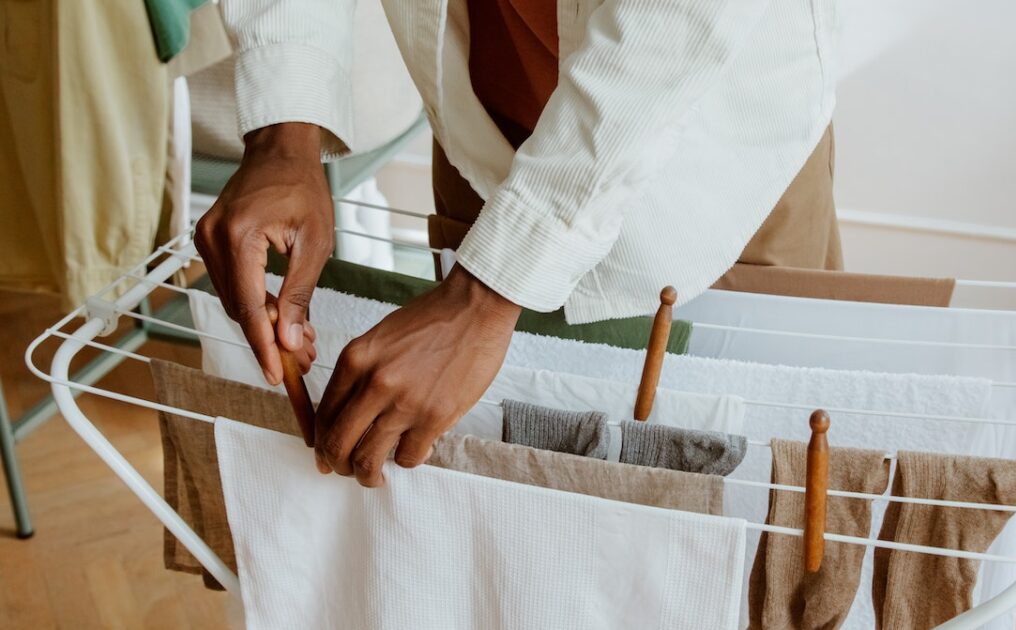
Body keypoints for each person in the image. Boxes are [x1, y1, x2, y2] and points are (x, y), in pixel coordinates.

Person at [195, 0, 841, 487]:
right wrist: (285, 130)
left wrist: (486, 292)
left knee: (767, 480)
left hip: (712, 151)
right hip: (483, 128)